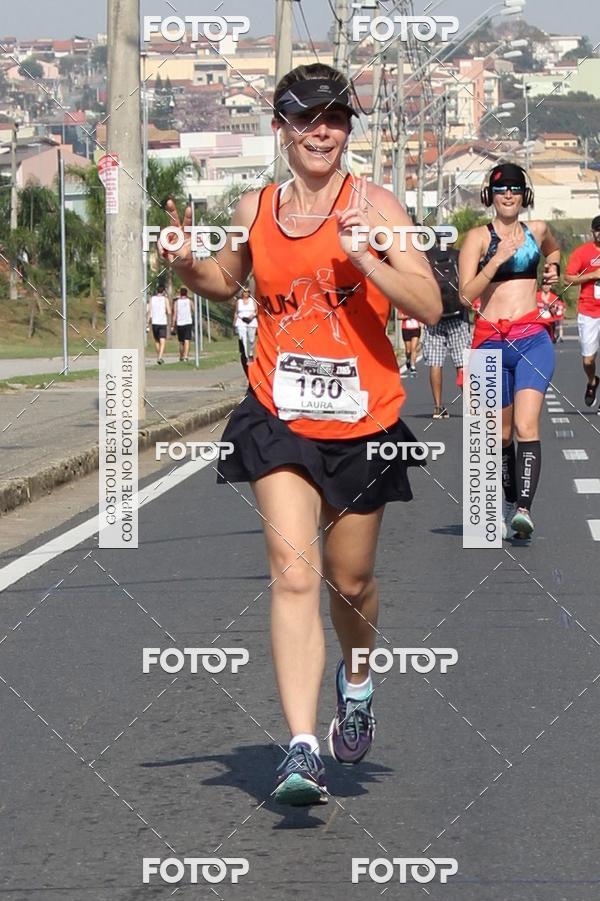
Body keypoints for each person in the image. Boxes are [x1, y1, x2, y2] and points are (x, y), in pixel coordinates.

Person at [159, 63, 442, 806]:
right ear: (280, 129)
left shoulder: (375, 205)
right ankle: (303, 745)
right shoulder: (256, 208)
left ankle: (358, 679)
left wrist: (367, 256)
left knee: (350, 582)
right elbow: (224, 280)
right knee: (293, 573)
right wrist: (186, 263)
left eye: (336, 119)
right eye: (307, 119)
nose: (323, 132)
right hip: (278, 413)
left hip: (363, 420)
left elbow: (429, 303)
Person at [459, 162, 561, 539]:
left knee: (525, 425)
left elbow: (553, 250)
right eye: (502, 189)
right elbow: (465, 295)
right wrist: (497, 260)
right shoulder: (477, 238)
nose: (508, 195)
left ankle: (524, 510)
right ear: (490, 196)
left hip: (532, 337)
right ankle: (507, 501)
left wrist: (552, 267)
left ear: (524, 196)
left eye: (516, 189)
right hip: (490, 341)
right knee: (500, 437)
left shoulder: (537, 230)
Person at [423, 237, 471, 418]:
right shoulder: (459, 256)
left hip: (434, 316)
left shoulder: (427, 257)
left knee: (435, 362)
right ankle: (470, 406)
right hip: (457, 315)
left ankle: (438, 407)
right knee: (462, 362)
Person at [565, 215, 600, 407]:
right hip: (589, 311)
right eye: (598, 230)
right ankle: (592, 381)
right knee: (588, 360)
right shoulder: (583, 252)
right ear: (592, 231)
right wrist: (593, 275)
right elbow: (568, 278)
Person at [233, 286, 258, 374]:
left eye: (247, 292)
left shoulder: (252, 301)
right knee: (243, 339)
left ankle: (250, 353)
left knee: (251, 340)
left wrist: (252, 316)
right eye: (244, 292)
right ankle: (246, 356)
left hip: (251, 321)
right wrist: (234, 322)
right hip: (241, 321)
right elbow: (236, 312)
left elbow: (256, 311)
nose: (246, 293)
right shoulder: (239, 302)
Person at [147, 284, 171, 364]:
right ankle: (160, 357)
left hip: (155, 322)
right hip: (162, 322)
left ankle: (159, 356)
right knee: (162, 340)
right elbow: (169, 311)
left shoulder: (152, 299)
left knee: (157, 340)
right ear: (164, 291)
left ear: (156, 291)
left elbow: (149, 311)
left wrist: (147, 322)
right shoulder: (165, 299)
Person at [172, 286, 193, 362]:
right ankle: (185, 356)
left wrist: (173, 324)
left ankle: (181, 355)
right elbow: (194, 309)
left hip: (180, 323)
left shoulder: (176, 302)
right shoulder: (189, 301)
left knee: (181, 341)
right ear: (186, 293)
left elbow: (175, 314)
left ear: (180, 293)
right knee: (187, 340)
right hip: (188, 322)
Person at [400, 312, 421, 376]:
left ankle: (413, 367)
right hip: (406, 329)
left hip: (416, 328)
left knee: (413, 348)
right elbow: (398, 317)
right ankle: (408, 359)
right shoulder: (403, 307)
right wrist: (407, 317)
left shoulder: (417, 308)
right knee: (408, 351)